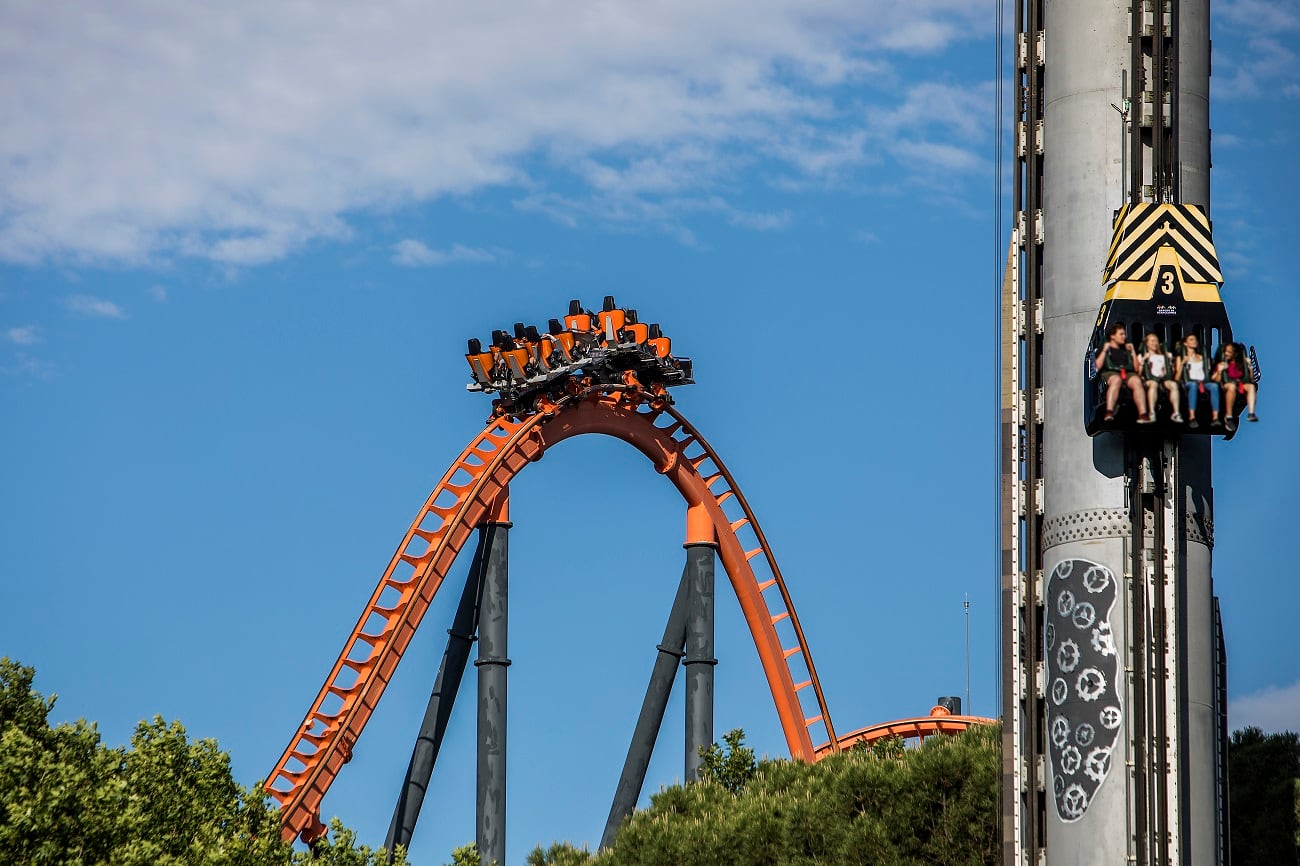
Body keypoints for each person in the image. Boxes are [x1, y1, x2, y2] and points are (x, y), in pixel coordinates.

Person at [1095, 324, 1151, 422]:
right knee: (1116, 380)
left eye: (1124, 334)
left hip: (1127, 372)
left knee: (1137, 381)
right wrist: (1104, 350)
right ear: (1113, 336)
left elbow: (1136, 368)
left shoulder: (1126, 349)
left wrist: (1133, 352)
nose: (1124, 337)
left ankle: (1143, 414)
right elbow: (1097, 366)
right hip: (1111, 372)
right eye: (1121, 334)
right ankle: (1109, 411)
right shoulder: (1106, 348)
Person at [1176, 332, 1219, 429]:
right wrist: (1183, 363)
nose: (1194, 341)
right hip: (1188, 383)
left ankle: (1215, 417)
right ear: (1185, 343)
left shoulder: (1203, 358)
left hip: (1203, 382)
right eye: (1191, 340)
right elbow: (1177, 377)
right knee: (1193, 385)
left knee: (1214, 386)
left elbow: (1209, 375)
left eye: (1195, 339)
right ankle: (1192, 417)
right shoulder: (1181, 358)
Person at [1140, 332, 1182, 423]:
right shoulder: (1143, 356)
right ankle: (1151, 413)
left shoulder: (1164, 356)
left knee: (1173, 385)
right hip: (1150, 379)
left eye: (1156, 341)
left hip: (1163, 378)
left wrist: (1171, 361)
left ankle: (1176, 413)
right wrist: (1143, 360)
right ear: (1146, 343)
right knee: (1154, 384)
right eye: (1152, 341)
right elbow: (1138, 373)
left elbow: (1172, 371)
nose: (1154, 343)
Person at [1216, 341, 1258, 430]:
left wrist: (1249, 366)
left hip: (1239, 384)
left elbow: (1250, 379)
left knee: (1251, 387)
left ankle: (1251, 412)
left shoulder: (1241, 365)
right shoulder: (1224, 364)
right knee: (1232, 387)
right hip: (1227, 384)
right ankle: (1229, 416)